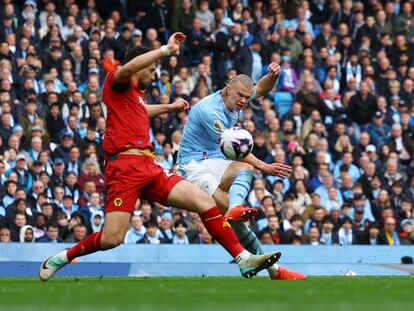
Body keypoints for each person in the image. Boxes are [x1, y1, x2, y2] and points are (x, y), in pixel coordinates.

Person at [39, 33, 281, 281]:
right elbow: (130, 67)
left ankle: (243, 259)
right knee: (112, 239)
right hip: (123, 169)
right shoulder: (117, 80)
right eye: (152, 70)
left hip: (148, 165)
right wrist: (166, 49)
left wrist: (169, 107)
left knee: (204, 202)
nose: (154, 75)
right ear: (140, 66)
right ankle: (64, 257)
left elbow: (141, 111)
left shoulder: (136, 96)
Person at [177, 64, 304, 280]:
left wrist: (273, 75)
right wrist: (265, 166)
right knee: (226, 206)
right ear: (228, 90)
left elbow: (262, 89)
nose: (244, 100)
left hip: (214, 161)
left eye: (246, 96)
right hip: (193, 166)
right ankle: (273, 270)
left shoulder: (235, 98)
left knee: (244, 172)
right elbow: (236, 149)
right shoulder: (210, 111)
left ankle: (237, 210)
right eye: (241, 96)